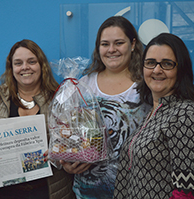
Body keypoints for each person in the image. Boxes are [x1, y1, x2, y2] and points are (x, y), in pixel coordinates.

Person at [0, 39, 76, 199]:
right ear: (11, 68)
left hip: (49, 191)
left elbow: (75, 143)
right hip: (3, 193)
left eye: (31, 61)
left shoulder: (59, 98)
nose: (25, 67)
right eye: (18, 63)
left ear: (41, 65)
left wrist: (59, 152)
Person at [113, 33, 194, 199]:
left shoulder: (187, 115)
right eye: (150, 63)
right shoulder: (153, 112)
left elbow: (189, 193)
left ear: (181, 69)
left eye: (167, 64)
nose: (157, 70)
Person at [60, 16, 151, 199]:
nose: (111, 50)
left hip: (135, 191)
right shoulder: (84, 84)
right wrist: (66, 162)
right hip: (86, 192)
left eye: (119, 43)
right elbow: (68, 133)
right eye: (105, 44)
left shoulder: (146, 86)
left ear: (133, 44)